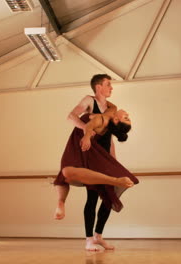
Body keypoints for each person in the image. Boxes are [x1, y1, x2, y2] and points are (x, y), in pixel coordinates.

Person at [53, 74, 138, 251]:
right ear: (98, 87)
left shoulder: (111, 109)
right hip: (89, 151)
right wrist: (86, 131)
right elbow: (71, 116)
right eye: (108, 84)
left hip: (103, 153)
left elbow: (110, 139)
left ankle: (98, 236)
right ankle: (89, 239)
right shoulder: (89, 100)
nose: (111, 88)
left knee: (108, 197)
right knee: (92, 197)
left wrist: (113, 162)